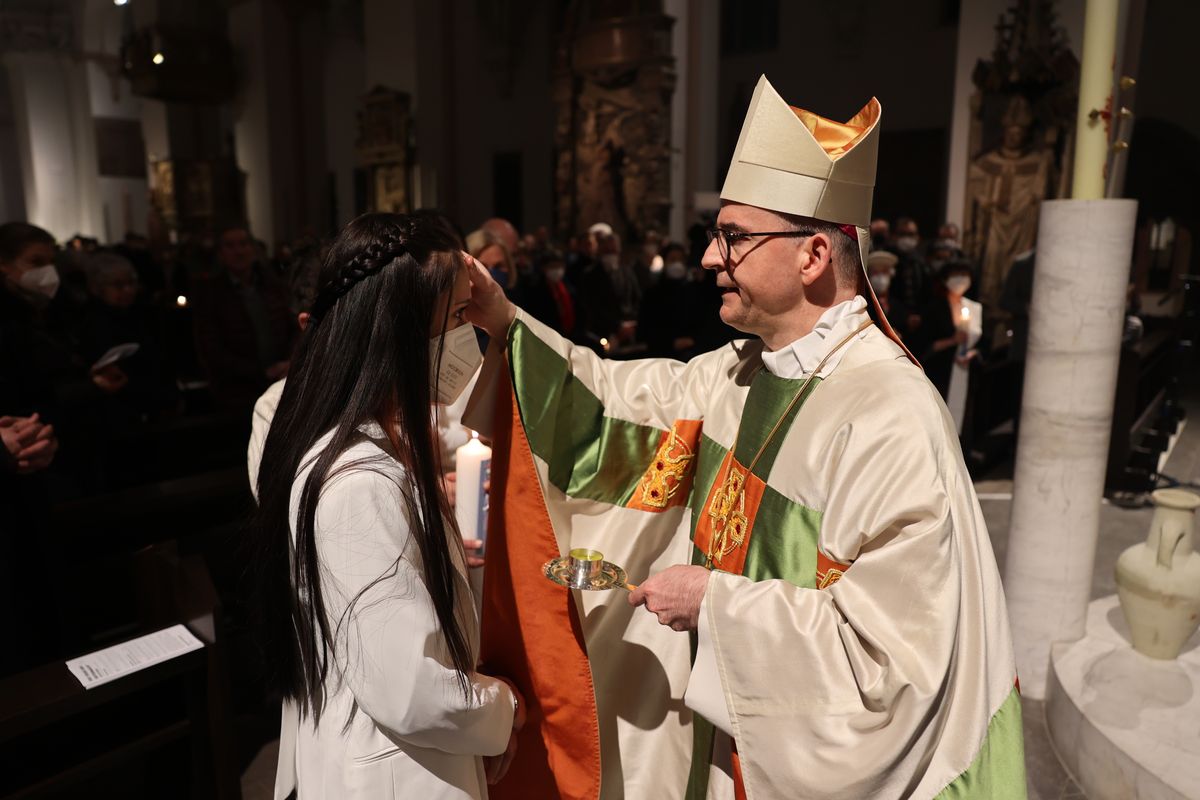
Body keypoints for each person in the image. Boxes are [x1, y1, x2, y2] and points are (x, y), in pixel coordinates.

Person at [467, 75, 1022, 799]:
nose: (707, 258)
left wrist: (715, 604)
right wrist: (501, 318)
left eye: (732, 236)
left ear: (814, 255)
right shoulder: (737, 373)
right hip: (737, 746)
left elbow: (891, 669)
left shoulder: (888, 415)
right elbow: (610, 407)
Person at [249, 212, 523, 799]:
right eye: (455, 319)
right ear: (394, 331)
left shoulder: (369, 443)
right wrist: (505, 708)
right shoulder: (360, 482)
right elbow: (414, 690)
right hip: (393, 773)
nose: (464, 338)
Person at [190, 224, 295, 411]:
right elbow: (210, 349)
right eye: (230, 246)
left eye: (243, 244)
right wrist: (259, 372)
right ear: (221, 253)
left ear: (253, 249)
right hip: (236, 393)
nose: (238, 251)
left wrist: (290, 362)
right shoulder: (210, 294)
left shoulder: (272, 285)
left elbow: (292, 326)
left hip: (282, 383)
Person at [917, 260, 981, 405]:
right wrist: (952, 340)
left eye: (964, 274)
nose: (960, 279)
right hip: (940, 371)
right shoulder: (934, 308)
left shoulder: (974, 307)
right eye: (955, 275)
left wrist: (972, 353)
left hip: (966, 371)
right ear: (945, 279)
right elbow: (925, 344)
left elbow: (982, 342)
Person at [864, 249, 911, 339]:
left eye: (884, 272)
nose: (880, 277)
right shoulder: (863, 303)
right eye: (875, 273)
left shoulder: (898, 305)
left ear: (891, 274)